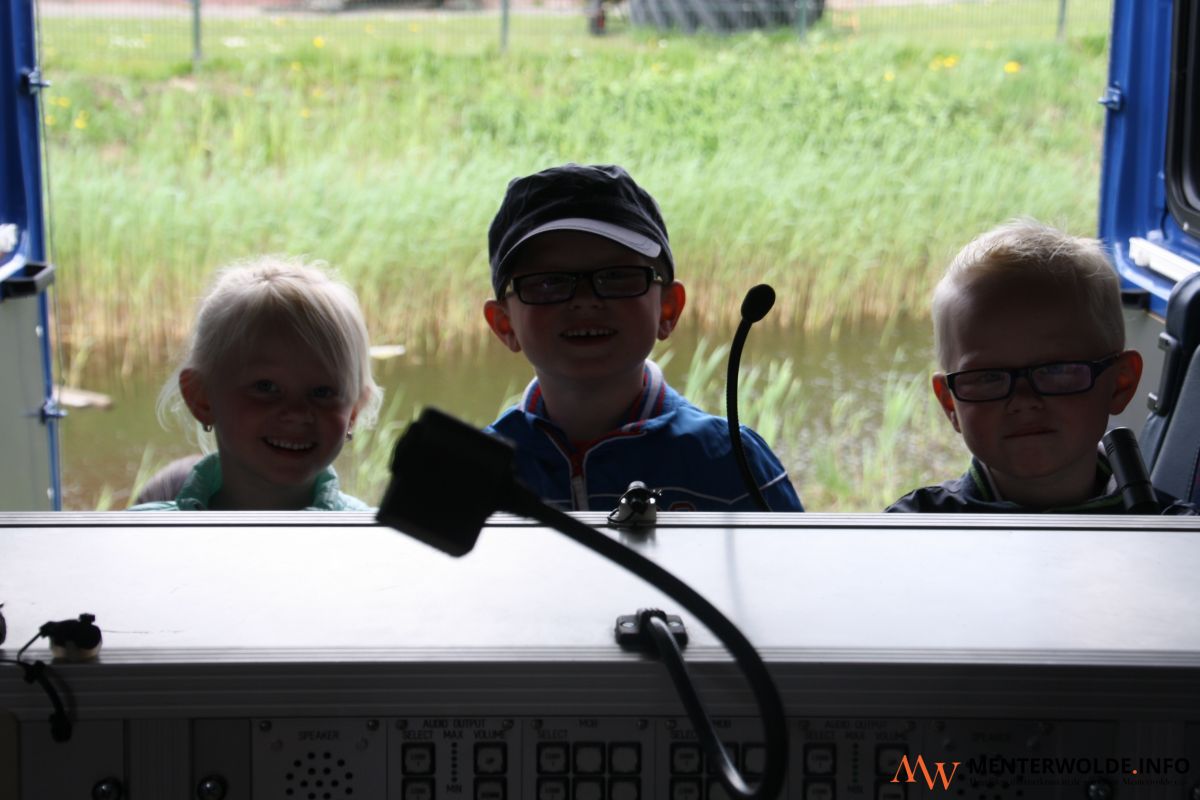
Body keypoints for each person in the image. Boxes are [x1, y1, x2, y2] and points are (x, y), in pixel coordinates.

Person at [481, 163, 802, 512]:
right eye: (548, 282)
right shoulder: (474, 469)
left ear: (668, 309)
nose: (585, 300)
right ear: (504, 324)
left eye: (617, 276)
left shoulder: (733, 462)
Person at [887, 219, 1194, 514]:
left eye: (1057, 371)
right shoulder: (911, 528)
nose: (1023, 401)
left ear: (1119, 383)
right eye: (989, 377)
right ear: (950, 403)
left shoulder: (1177, 532)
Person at [132, 256, 382, 511]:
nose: (297, 414)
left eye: (323, 392)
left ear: (353, 411)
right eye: (266, 387)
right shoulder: (140, 528)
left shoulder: (372, 530)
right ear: (201, 398)